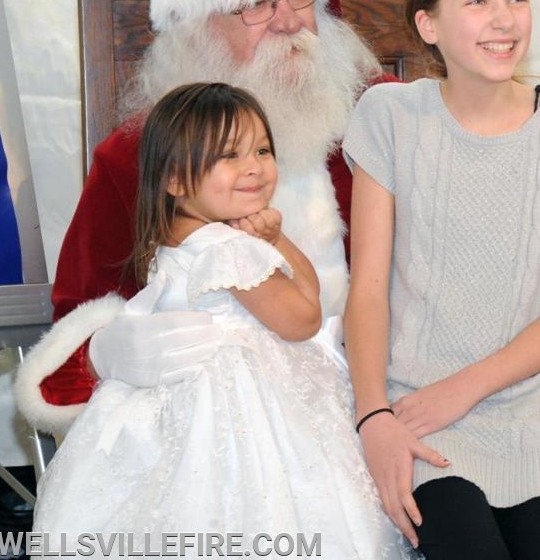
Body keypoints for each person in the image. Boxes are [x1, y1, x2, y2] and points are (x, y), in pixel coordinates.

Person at [14, 0, 386, 432]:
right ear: (196, 32)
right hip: (215, 428)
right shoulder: (141, 157)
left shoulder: (380, 117)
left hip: (381, 404)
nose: (290, 21)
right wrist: (106, 352)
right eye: (256, 3)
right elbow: (76, 321)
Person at [341, 0, 540, 559]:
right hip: (415, 415)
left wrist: (465, 388)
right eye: (477, 2)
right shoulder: (388, 117)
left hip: (532, 416)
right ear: (429, 25)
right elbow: (368, 289)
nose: (504, 21)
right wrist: (373, 417)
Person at [33, 83, 411, 558]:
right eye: (229, 156)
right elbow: (302, 319)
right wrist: (276, 246)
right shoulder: (228, 251)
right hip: (243, 403)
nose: (254, 166)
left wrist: (272, 240)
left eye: (262, 149)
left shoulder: (173, 241)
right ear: (174, 180)